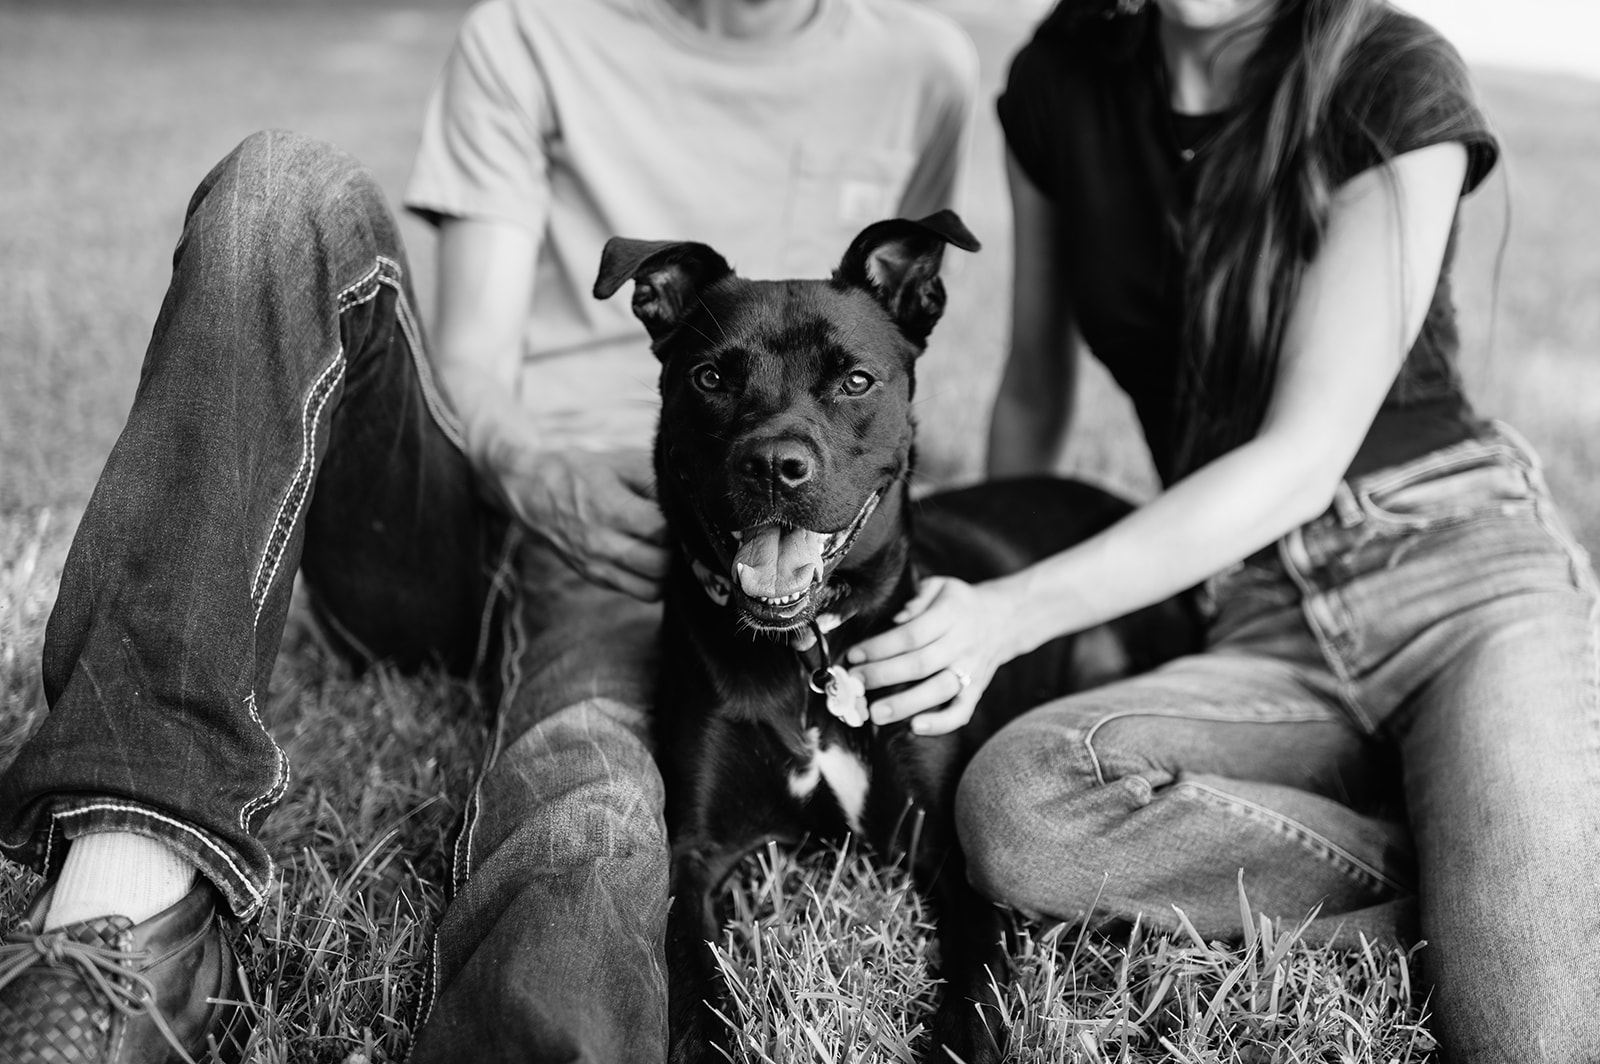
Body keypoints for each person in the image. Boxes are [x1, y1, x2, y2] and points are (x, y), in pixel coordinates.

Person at [0, 1, 977, 1061]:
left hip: (715, 559)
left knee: (592, 791)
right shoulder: (528, 31)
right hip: (495, 503)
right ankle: (123, 887)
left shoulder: (923, 63)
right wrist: (544, 478)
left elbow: (898, 374)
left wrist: (996, 593)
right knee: (283, 185)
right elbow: (468, 364)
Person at [842, 0, 1599, 1060]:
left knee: (1528, 1030)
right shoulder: (1063, 78)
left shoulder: (1388, 72)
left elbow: (1301, 459)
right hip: (1252, 614)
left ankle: (1512, 863)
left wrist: (1012, 614)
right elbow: (1031, 382)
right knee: (1020, 801)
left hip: (1459, 573)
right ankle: (1474, 853)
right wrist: (969, 619)